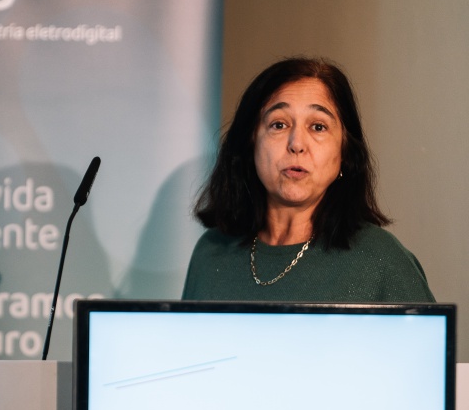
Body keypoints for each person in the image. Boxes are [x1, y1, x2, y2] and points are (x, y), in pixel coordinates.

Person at [182, 57, 434, 302]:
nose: (297, 144)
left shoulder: (381, 260)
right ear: (251, 143)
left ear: (345, 152)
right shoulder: (210, 252)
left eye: (318, 127)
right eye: (279, 125)